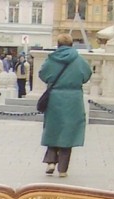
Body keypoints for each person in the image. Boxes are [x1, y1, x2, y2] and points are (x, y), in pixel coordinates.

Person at [38, 33, 92, 177]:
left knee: (53, 129)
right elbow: (87, 75)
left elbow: (43, 74)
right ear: (72, 44)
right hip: (73, 98)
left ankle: (50, 161)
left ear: (58, 44)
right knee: (69, 132)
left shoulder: (51, 59)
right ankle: (63, 169)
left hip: (55, 97)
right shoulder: (80, 60)